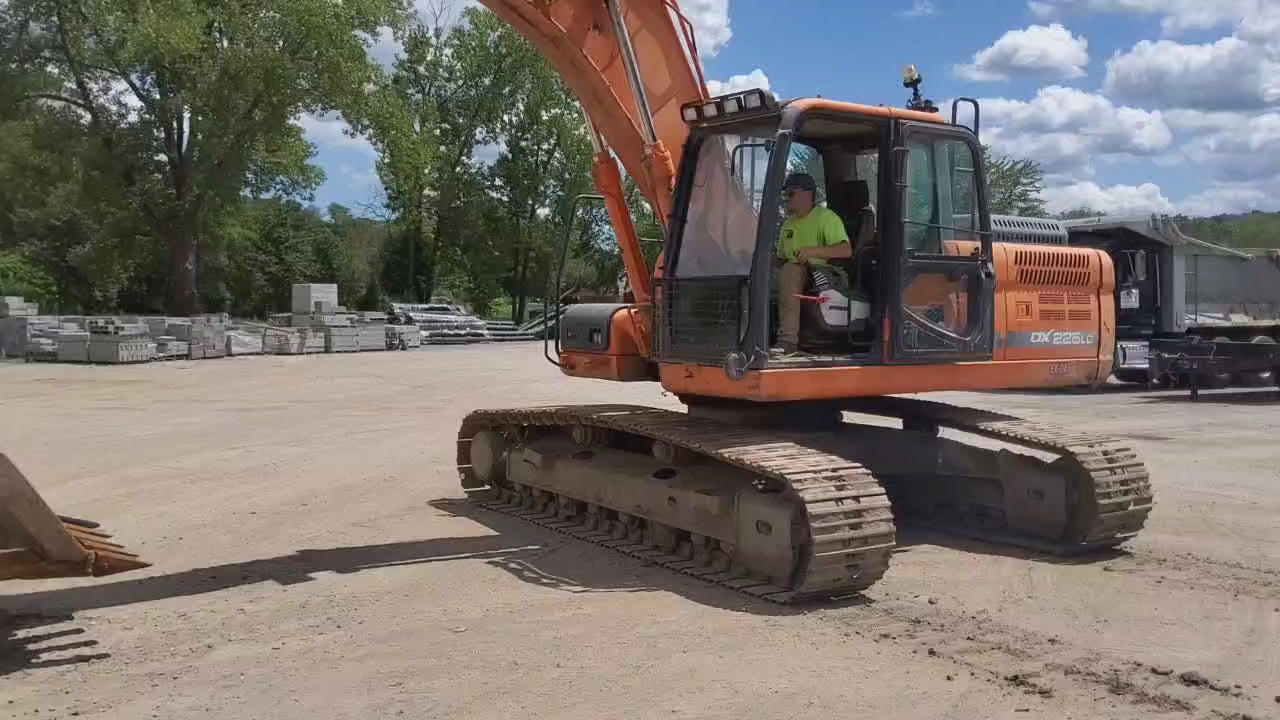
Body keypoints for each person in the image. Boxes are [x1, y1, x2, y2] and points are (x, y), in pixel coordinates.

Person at [773, 172, 852, 354]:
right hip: (795, 270)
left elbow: (845, 250)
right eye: (784, 194)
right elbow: (780, 259)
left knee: (790, 270)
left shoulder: (826, 218)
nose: (786, 199)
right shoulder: (788, 224)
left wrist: (812, 251)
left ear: (807, 194)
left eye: (790, 193)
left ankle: (788, 341)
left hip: (824, 273)